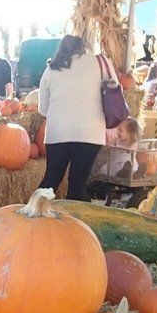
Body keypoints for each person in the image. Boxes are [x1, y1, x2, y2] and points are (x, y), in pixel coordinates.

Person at [37, 35, 106, 202]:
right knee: (78, 183)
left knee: (51, 180)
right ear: (84, 48)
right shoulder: (100, 63)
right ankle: (75, 224)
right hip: (90, 132)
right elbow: (115, 90)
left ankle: (34, 217)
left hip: (58, 132)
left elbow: (43, 109)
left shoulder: (51, 69)